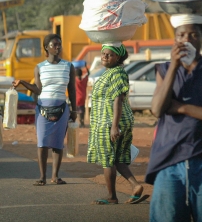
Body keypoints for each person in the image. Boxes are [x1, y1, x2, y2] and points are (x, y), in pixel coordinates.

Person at [145, 14, 202, 222]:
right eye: (181, 35)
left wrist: (183, 108)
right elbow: (158, 109)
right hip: (169, 163)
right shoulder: (164, 70)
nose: (187, 39)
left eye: (193, 34)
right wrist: (174, 65)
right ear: (175, 40)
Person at [87, 43, 148, 205]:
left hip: (110, 121)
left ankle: (112, 196)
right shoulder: (111, 73)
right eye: (103, 54)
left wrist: (114, 126)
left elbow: (118, 100)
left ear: (118, 57)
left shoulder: (117, 73)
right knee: (118, 159)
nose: (105, 57)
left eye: (110, 54)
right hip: (114, 121)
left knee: (108, 160)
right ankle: (135, 186)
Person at [12, 33, 77, 186]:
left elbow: (72, 90)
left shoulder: (68, 66)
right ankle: (42, 177)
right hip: (43, 109)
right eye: (54, 45)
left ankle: (55, 176)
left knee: (58, 143)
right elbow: (38, 89)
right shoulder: (39, 67)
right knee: (42, 143)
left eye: (59, 44)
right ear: (46, 48)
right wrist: (22, 83)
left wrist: (74, 111)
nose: (58, 47)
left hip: (62, 108)